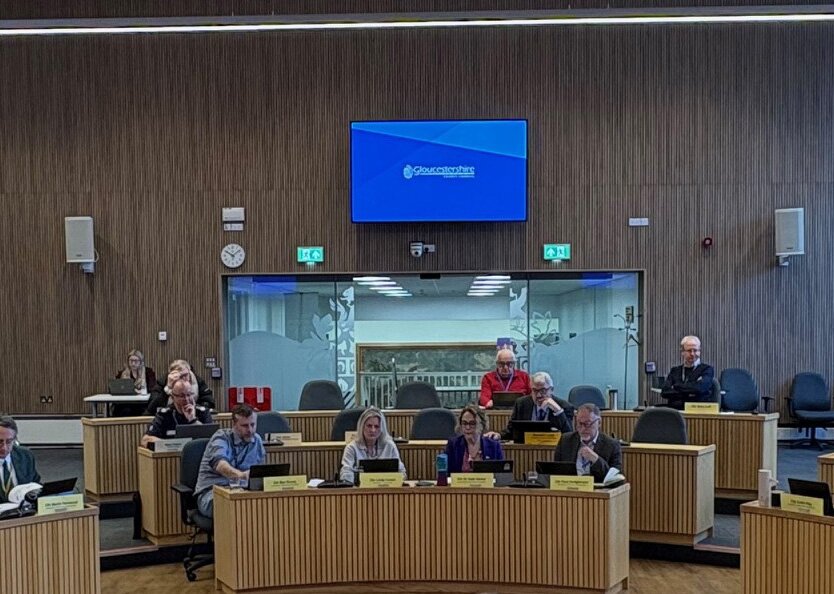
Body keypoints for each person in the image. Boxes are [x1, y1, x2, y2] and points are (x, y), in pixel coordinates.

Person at [194, 404, 265, 518]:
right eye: (245, 426)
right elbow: (220, 465)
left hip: (243, 492)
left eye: (253, 424)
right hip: (212, 493)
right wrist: (241, 475)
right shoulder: (221, 437)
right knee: (237, 508)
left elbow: (260, 472)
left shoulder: (257, 441)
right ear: (235, 425)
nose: (250, 430)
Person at [554, 403, 621, 482]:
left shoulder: (611, 445)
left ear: (599, 422)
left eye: (587, 424)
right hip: (570, 490)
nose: (582, 429)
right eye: (579, 424)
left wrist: (596, 459)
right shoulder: (565, 440)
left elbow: (616, 480)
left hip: (597, 492)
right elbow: (556, 472)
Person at [500, 371, 574, 440]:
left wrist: (558, 411)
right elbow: (511, 430)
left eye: (543, 390)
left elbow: (569, 437)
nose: (538, 395)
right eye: (535, 390)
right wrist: (498, 435)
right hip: (526, 449)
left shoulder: (564, 406)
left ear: (551, 390)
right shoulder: (521, 404)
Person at [339, 407, 406, 483]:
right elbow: (346, 474)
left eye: (376, 426)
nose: (373, 430)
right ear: (362, 426)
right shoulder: (351, 448)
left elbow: (402, 472)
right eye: (369, 426)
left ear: (381, 429)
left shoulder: (390, 446)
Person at [140, 379, 213, 448]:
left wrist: (193, 420)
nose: (187, 399)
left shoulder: (203, 412)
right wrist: (172, 445)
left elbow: (212, 439)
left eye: (189, 395)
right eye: (182, 396)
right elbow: (145, 440)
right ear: (172, 397)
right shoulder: (164, 414)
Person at [660, 335, 715, 410]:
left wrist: (676, 386)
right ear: (682, 352)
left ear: (699, 351)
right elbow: (665, 392)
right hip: (676, 411)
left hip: (697, 411)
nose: (692, 354)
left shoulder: (707, 369)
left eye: (695, 350)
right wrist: (691, 392)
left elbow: (700, 389)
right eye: (689, 351)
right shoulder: (675, 370)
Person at [445, 406, 504, 473]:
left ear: (482, 425)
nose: (467, 427)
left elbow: (500, 475)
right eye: (464, 423)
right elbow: (448, 474)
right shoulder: (453, 444)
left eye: (472, 423)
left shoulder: (494, 445)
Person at [145, 359, 215, 415]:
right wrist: (167, 389)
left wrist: (193, 408)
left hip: (193, 415)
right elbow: (151, 409)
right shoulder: (162, 382)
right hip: (168, 418)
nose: (183, 379)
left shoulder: (198, 381)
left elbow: (210, 403)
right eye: (179, 376)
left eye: (186, 375)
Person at [0, 416, 41, 503]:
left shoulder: (25, 456)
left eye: (9, 441)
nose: (4, 447)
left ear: (15, 440)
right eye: (0, 442)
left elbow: (36, 483)